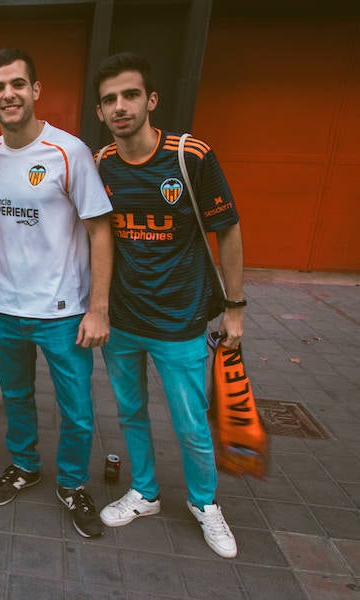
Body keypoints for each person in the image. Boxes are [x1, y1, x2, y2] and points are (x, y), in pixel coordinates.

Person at [93, 52, 243, 558]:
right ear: (100, 111)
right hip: (124, 320)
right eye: (110, 99)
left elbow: (229, 230)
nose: (121, 106)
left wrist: (235, 309)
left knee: (191, 423)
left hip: (180, 321)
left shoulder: (189, 156)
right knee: (132, 412)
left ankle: (205, 504)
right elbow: (99, 237)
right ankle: (145, 493)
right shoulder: (102, 164)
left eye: (130, 94)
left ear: (151, 100)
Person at [0, 48, 113, 539]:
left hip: (63, 312)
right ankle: (24, 465)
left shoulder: (69, 151)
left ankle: (74, 483)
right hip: (3, 307)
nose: (8, 94)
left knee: (76, 408)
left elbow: (101, 231)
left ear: (35, 90)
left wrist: (98, 309)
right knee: (17, 398)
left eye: (17, 84)